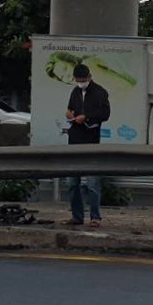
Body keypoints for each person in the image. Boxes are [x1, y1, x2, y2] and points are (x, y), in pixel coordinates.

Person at [65, 64, 111, 227]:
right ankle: (77, 216)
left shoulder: (100, 92)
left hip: (91, 139)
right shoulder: (75, 92)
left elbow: (105, 114)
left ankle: (95, 217)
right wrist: (70, 115)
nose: (81, 83)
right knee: (72, 183)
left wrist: (87, 117)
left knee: (92, 183)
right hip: (75, 138)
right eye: (78, 80)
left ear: (89, 77)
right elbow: (70, 109)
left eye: (83, 80)